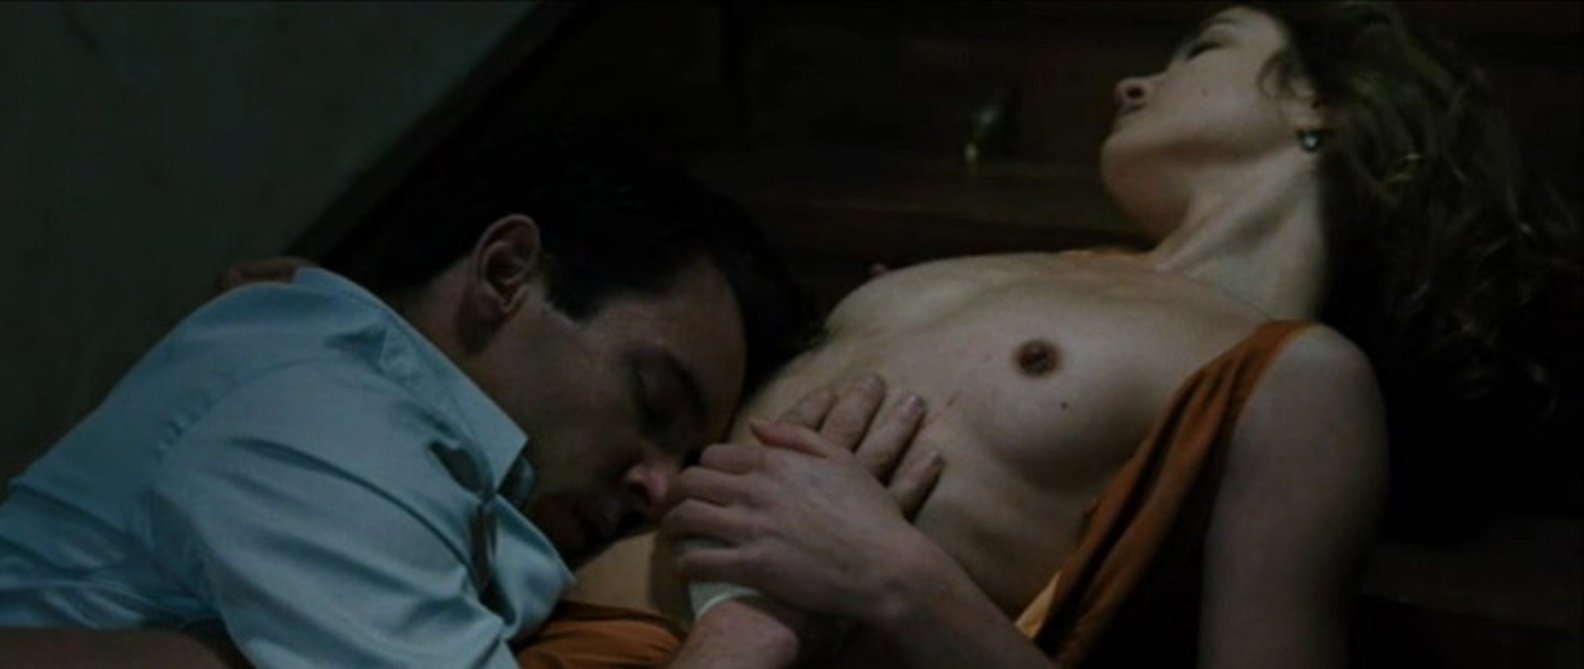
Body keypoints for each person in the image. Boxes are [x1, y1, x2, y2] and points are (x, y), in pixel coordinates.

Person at [581, 2, 1579, 667]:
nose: (1129, 84)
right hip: (540, 609)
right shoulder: (1008, 272)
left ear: (1327, 101)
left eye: (1202, 48)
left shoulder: (1300, 376)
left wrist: (900, 582)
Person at [0, 127, 822, 667]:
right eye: (653, 402)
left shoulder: (388, 425)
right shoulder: (322, 422)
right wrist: (751, 622)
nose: (662, 486)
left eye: (686, 454)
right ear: (506, 272)